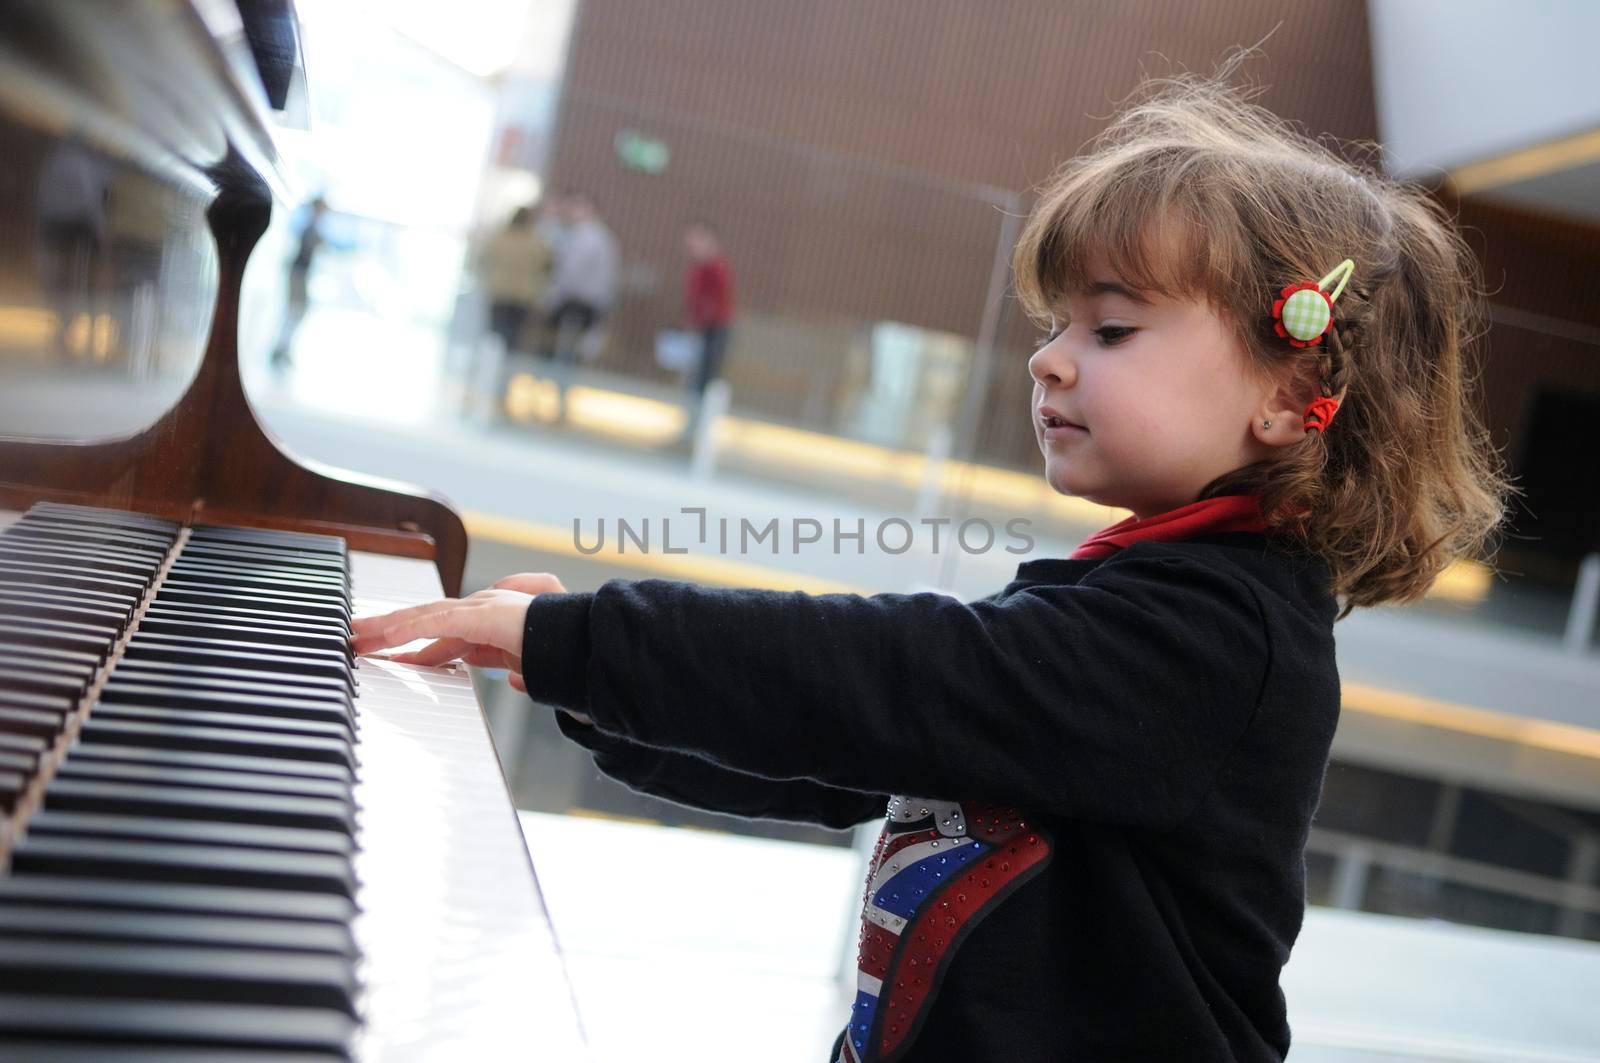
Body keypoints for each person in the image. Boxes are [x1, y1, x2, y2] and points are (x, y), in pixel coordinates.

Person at [352, 76, 1509, 1062]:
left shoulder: (1218, 641)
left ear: (1284, 396)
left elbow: (897, 676)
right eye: (1054, 326)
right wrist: (595, 687)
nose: (1049, 361)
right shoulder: (1133, 593)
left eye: (1108, 330)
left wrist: (596, 644)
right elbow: (854, 758)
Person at [538, 191, 618, 417]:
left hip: (577, 304)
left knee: (567, 353)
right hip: (580, 303)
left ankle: (559, 401)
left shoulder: (589, 238)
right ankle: (557, 399)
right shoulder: (584, 236)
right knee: (566, 353)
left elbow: (571, 274)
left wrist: (553, 297)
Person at [676, 220, 736, 444]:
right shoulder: (699, 268)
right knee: (693, 379)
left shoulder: (715, 268)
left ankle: (698, 430)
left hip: (713, 329)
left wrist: (700, 322)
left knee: (704, 379)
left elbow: (716, 302)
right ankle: (690, 426)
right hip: (703, 328)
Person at [476, 204, 552, 358]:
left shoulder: (500, 237)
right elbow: (547, 266)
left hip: (500, 292)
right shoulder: (536, 241)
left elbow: (483, 260)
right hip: (523, 295)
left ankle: (490, 367)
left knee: (495, 335)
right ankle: (506, 369)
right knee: (515, 338)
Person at [271, 196, 328, 371]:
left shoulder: (313, 228)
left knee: (297, 312)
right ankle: (280, 349)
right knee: (295, 311)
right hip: (298, 274)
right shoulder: (309, 227)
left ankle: (283, 348)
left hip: (300, 274)